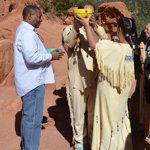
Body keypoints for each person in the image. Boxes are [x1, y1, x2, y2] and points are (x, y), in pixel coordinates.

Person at [75, 4, 137, 150]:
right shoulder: (129, 49)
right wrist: (94, 27)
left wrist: (85, 25)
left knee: (108, 124)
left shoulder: (116, 48)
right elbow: (103, 44)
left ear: (120, 29)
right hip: (120, 96)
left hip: (109, 96)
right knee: (119, 123)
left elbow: (95, 45)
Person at [14, 5, 62, 150]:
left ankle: (27, 146)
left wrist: (48, 51)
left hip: (30, 82)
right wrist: (50, 56)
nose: (41, 20)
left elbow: (32, 52)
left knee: (29, 118)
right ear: (29, 17)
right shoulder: (27, 33)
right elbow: (31, 57)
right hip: (32, 83)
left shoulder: (24, 30)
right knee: (33, 120)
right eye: (39, 16)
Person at [62, 1, 107, 150]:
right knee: (78, 115)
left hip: (93, 79)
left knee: (93, 115)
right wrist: (77, 25)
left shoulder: (96, 29)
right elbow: (68, 44)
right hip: (77, 80)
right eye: (85, 13)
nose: (88, 16)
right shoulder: (70, 28)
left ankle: (92, 141)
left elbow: (105, 44)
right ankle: (80, 143)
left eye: (91, 13)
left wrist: (94, 27)